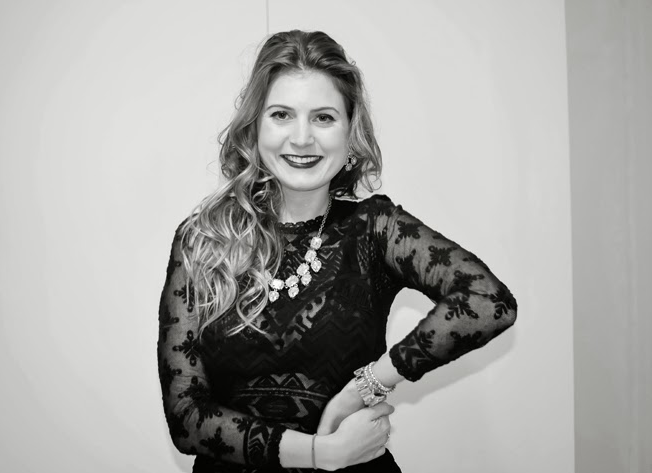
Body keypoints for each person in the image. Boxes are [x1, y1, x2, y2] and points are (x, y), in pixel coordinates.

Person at [158, 30, 517, 473]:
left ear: (349, 132)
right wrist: (320, 453)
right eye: (282, 115)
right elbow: (186, 418)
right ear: (255, 128)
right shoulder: (202, 239)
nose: (302, 138)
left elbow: (489, 302)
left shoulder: (375, 228)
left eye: (324, 118)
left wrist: (365, 386)